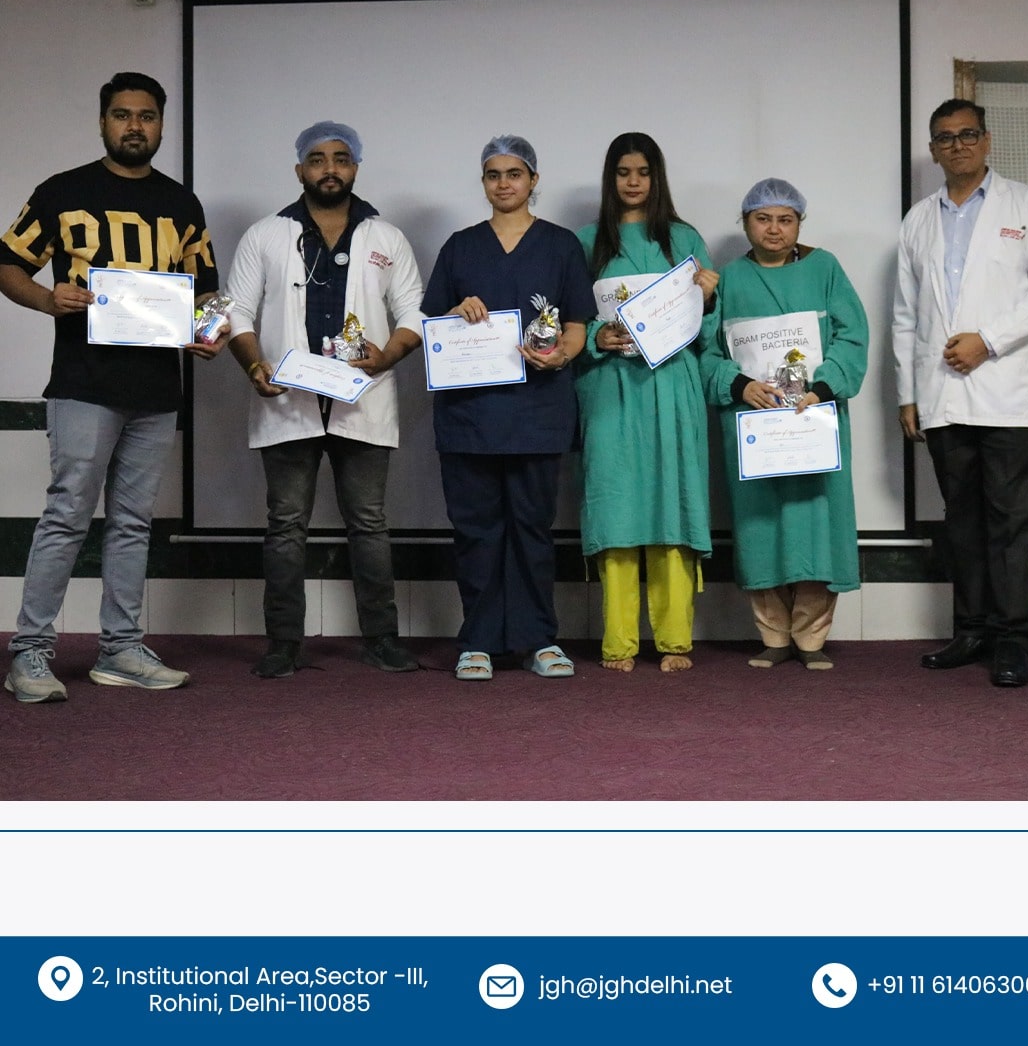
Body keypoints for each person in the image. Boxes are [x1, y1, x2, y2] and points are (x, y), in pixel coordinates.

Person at [1, 71, 227, 703]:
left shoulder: (182, 203)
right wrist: (48, 298)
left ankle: (121, 649)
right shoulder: (63, 192)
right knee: (68, 513)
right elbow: (7, 263)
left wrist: (208, 331)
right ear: (103, 122)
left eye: (147, 116)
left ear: (161, 124)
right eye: (123, 115)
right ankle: (31, 653)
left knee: (131, 522)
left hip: (156, 388)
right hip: (83, 382)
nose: (135, 126)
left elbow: (204, 290)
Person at [227, 121, 424, 678]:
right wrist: (253, 366)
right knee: (286, 524)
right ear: (299, 170)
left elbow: (413, 314)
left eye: (341, 158)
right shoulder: (266, 234)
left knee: (369, 524)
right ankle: (283, 643)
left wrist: (385, 357)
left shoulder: (386, 237)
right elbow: (237, 312)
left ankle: (382, 638)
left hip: (362, 399)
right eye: (317, 159)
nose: (329, 168)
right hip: (287, 400)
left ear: (356, 167)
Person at [893, 98, 1028, 688]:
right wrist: (907, 391)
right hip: (942, 396)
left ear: (987, 141)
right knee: (962, 520)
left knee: (1013, 521)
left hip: (1010, 392)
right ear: (933, 149)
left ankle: (1012, 640)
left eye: (968, 134)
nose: (957, 145)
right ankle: (970, 630)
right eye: (944, 137)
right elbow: (904, 315)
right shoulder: (919, 220)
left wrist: (987, 341)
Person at [422, 134, 595, 681]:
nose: (504, 183)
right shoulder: (460, 247)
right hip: (470, 417)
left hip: (537, 411)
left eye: (514, 174)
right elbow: (433, 328)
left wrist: (558, 356)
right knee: (476, 529)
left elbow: (577, 327)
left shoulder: (561, 245)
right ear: (483, 183)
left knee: (531, 528)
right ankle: (477, 641)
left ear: (533, 180)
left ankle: (538, 640)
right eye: (493, 175)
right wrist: (456, 313)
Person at [702, 178, 868, 670]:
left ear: (799, 224)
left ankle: (812, 638)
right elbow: (707, 351)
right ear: (745, 222)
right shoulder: (729, 280)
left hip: (813, 416)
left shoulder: (825, 269)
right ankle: (773, 636)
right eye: (763, 218)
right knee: (761, 524)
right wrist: (739, 385)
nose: (774, 229)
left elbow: (853, 336)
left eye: (785, 219)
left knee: (816, 521)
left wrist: (822, 387)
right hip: (754, 424)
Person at [575, 132, 719, 672]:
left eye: (643, 172)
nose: (633, 182)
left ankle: (675, 639)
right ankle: (618, 640)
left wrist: (710, 294)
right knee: (616, 505)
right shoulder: (587, 241)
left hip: (671, 386)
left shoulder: (682, 238)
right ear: (610, 179)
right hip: (610, 390)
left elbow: (710, 328)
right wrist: (596, 337)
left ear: (657, 178)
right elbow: (567, 320)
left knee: (671, 504)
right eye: (622, 173)